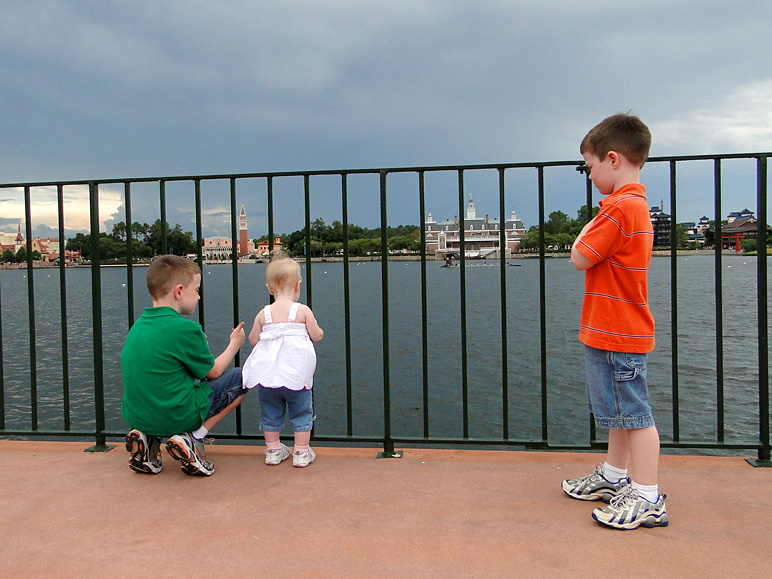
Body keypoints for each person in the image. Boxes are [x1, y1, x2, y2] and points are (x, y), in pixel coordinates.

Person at [561, 113, 668, 530]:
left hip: (617, 329)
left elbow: (579, 256)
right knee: (619, 413)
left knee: (635, 415)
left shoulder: (619, 208)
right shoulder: (634, 206)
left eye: (589, 167)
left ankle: (646, 495)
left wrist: (590, 222)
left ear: (612, 159)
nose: (589, 176)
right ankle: (613, 476)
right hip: (616, 327)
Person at [121, 254, 247, 476]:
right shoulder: (186, 329)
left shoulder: (138, 327)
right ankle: (193, 438)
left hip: (138, 415)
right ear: (179, 292)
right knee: (242, 377)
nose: (198, 297)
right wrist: (234, 345)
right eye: (196, 290)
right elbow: (213, 373)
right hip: (176, 417)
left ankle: (146, 439)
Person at [242, 250, 324, 467]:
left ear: (270, 289)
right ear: (298, 285)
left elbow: (252, 340)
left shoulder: (264, 313)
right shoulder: (302, 310)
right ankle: (301, 453)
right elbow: (316, 335)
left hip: (269, 378)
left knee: (270, 412)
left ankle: (273, 451)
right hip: (296, 377)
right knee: (301, 412)